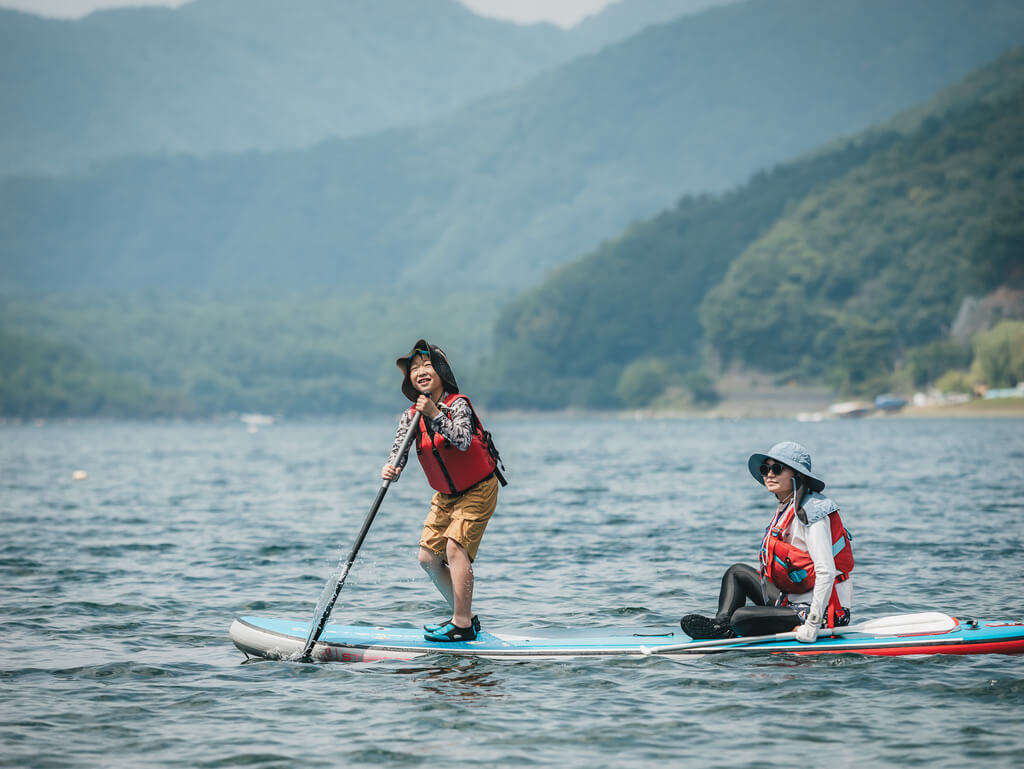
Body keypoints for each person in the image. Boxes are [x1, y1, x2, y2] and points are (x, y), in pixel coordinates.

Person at [382, 339, 505, 642]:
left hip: (478, 488)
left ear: (440, 372)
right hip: (446, 495)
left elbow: (462, 440)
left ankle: (461, 625)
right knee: (428, 557)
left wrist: (435, 414)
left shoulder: (457, 404)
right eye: (414, 368)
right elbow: (399, 451)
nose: (420, 372)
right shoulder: (410, 415)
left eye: (427, 365)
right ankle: (464, 618)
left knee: (454, 547)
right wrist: (391, 470)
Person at [679, 441, 853, 643]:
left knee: (742, 617)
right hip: (790, 602)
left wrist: (812, 624)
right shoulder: (786, 506)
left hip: (823, 613)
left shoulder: (813, 514)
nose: (769, 474)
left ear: (797, 475)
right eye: (766, 469)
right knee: (737, 572)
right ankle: (722, 626)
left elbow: (826, 571)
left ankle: (735, 626)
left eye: (777, 469)